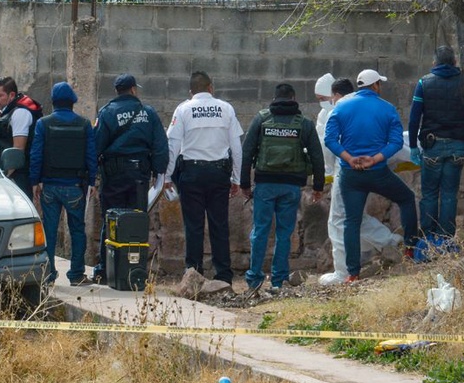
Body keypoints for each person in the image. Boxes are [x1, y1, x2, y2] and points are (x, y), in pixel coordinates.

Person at [323, 69, 419, 284]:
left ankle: (352, 273)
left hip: (350, 175)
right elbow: (395, 143)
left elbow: (329, 140)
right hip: (377, 172)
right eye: (380, 84)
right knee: (406, 199)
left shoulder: (341, 107)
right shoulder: (387, 108)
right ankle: (411, 250)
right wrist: (375, 159)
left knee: (351, 221)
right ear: (376, 85)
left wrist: (348, 158)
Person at [240, 83, 325, 294]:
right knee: (284, 234)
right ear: (294, 98)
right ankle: (278, 280)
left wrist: (244, 184)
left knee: (260, 231)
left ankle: (254, 279)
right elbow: (317, 156)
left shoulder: (262, 119)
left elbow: (247, 151)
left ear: (275, 98)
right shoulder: (304, 123)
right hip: (290, 186)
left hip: (265, 185)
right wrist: (318, 186)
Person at [164, 71, 243, 285]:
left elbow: (173, 146)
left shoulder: (183, 109)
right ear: (211, 87)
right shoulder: (226, 109)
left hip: (191, 173)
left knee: (194, 225)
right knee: (219, 224)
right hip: (219, 173)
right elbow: (236, 147)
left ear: (191, 92)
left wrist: (167, 176)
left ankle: (193, 272)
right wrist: (236, 178)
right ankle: (224, 274)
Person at [92, 73, 169, 285]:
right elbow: (161, 146)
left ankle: (106, 270)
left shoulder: (107, 113)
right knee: (136, 223)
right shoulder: (148, 113)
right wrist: (158, 172)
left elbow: (95, 146)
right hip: (139, 177)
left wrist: (92, 175)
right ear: (134, 89)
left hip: (114, 175)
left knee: (111, 221)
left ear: (117, 91)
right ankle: (135, 270)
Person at [407, 45, 464, 244]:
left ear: (435, 62)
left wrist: (413, 145)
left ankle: (427, 241)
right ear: (455, 62)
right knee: (449, 194)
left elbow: (414, 118)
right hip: (458, 147)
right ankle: (446, 241)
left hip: (432, 147)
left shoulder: (424, 84)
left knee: (430, 194)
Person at [29, 81, 96, 285]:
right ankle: (76, 275)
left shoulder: (43, 123)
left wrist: (35, 181)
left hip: (49, 187)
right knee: (77, 230)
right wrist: (92, 181)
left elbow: (36, 155)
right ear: (72, 102)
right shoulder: (84, 124)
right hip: (75, 186)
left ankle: (48, 274)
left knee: (48, 230)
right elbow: (91, 155)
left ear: (54, 101)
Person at [0, 76, 43, 192]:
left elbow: (18, 150)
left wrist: (4, 177)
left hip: (18, 175)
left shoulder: (20, 113)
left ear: (11, 95)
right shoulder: (9, 110)